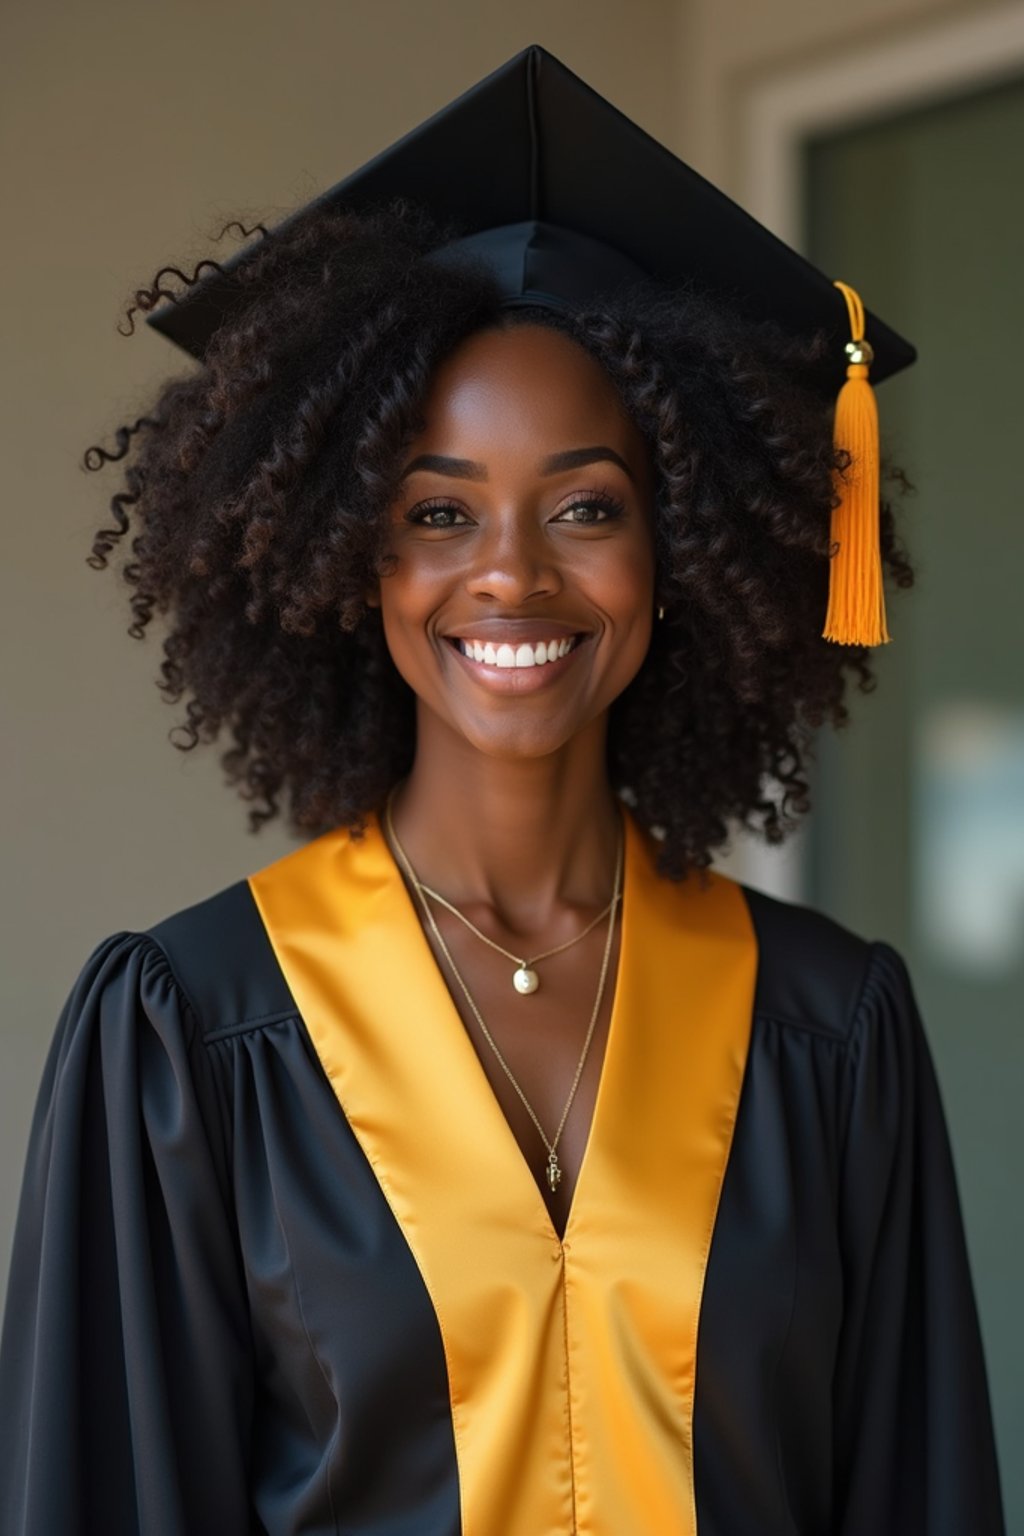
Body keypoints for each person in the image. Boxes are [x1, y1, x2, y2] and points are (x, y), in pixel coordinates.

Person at [0, 44, 1005, 1536]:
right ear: (357, 558)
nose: (513, 574)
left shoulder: (825, 1031)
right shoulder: (195, 1033)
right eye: (438, 511)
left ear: (685, 552)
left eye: (589, 507)